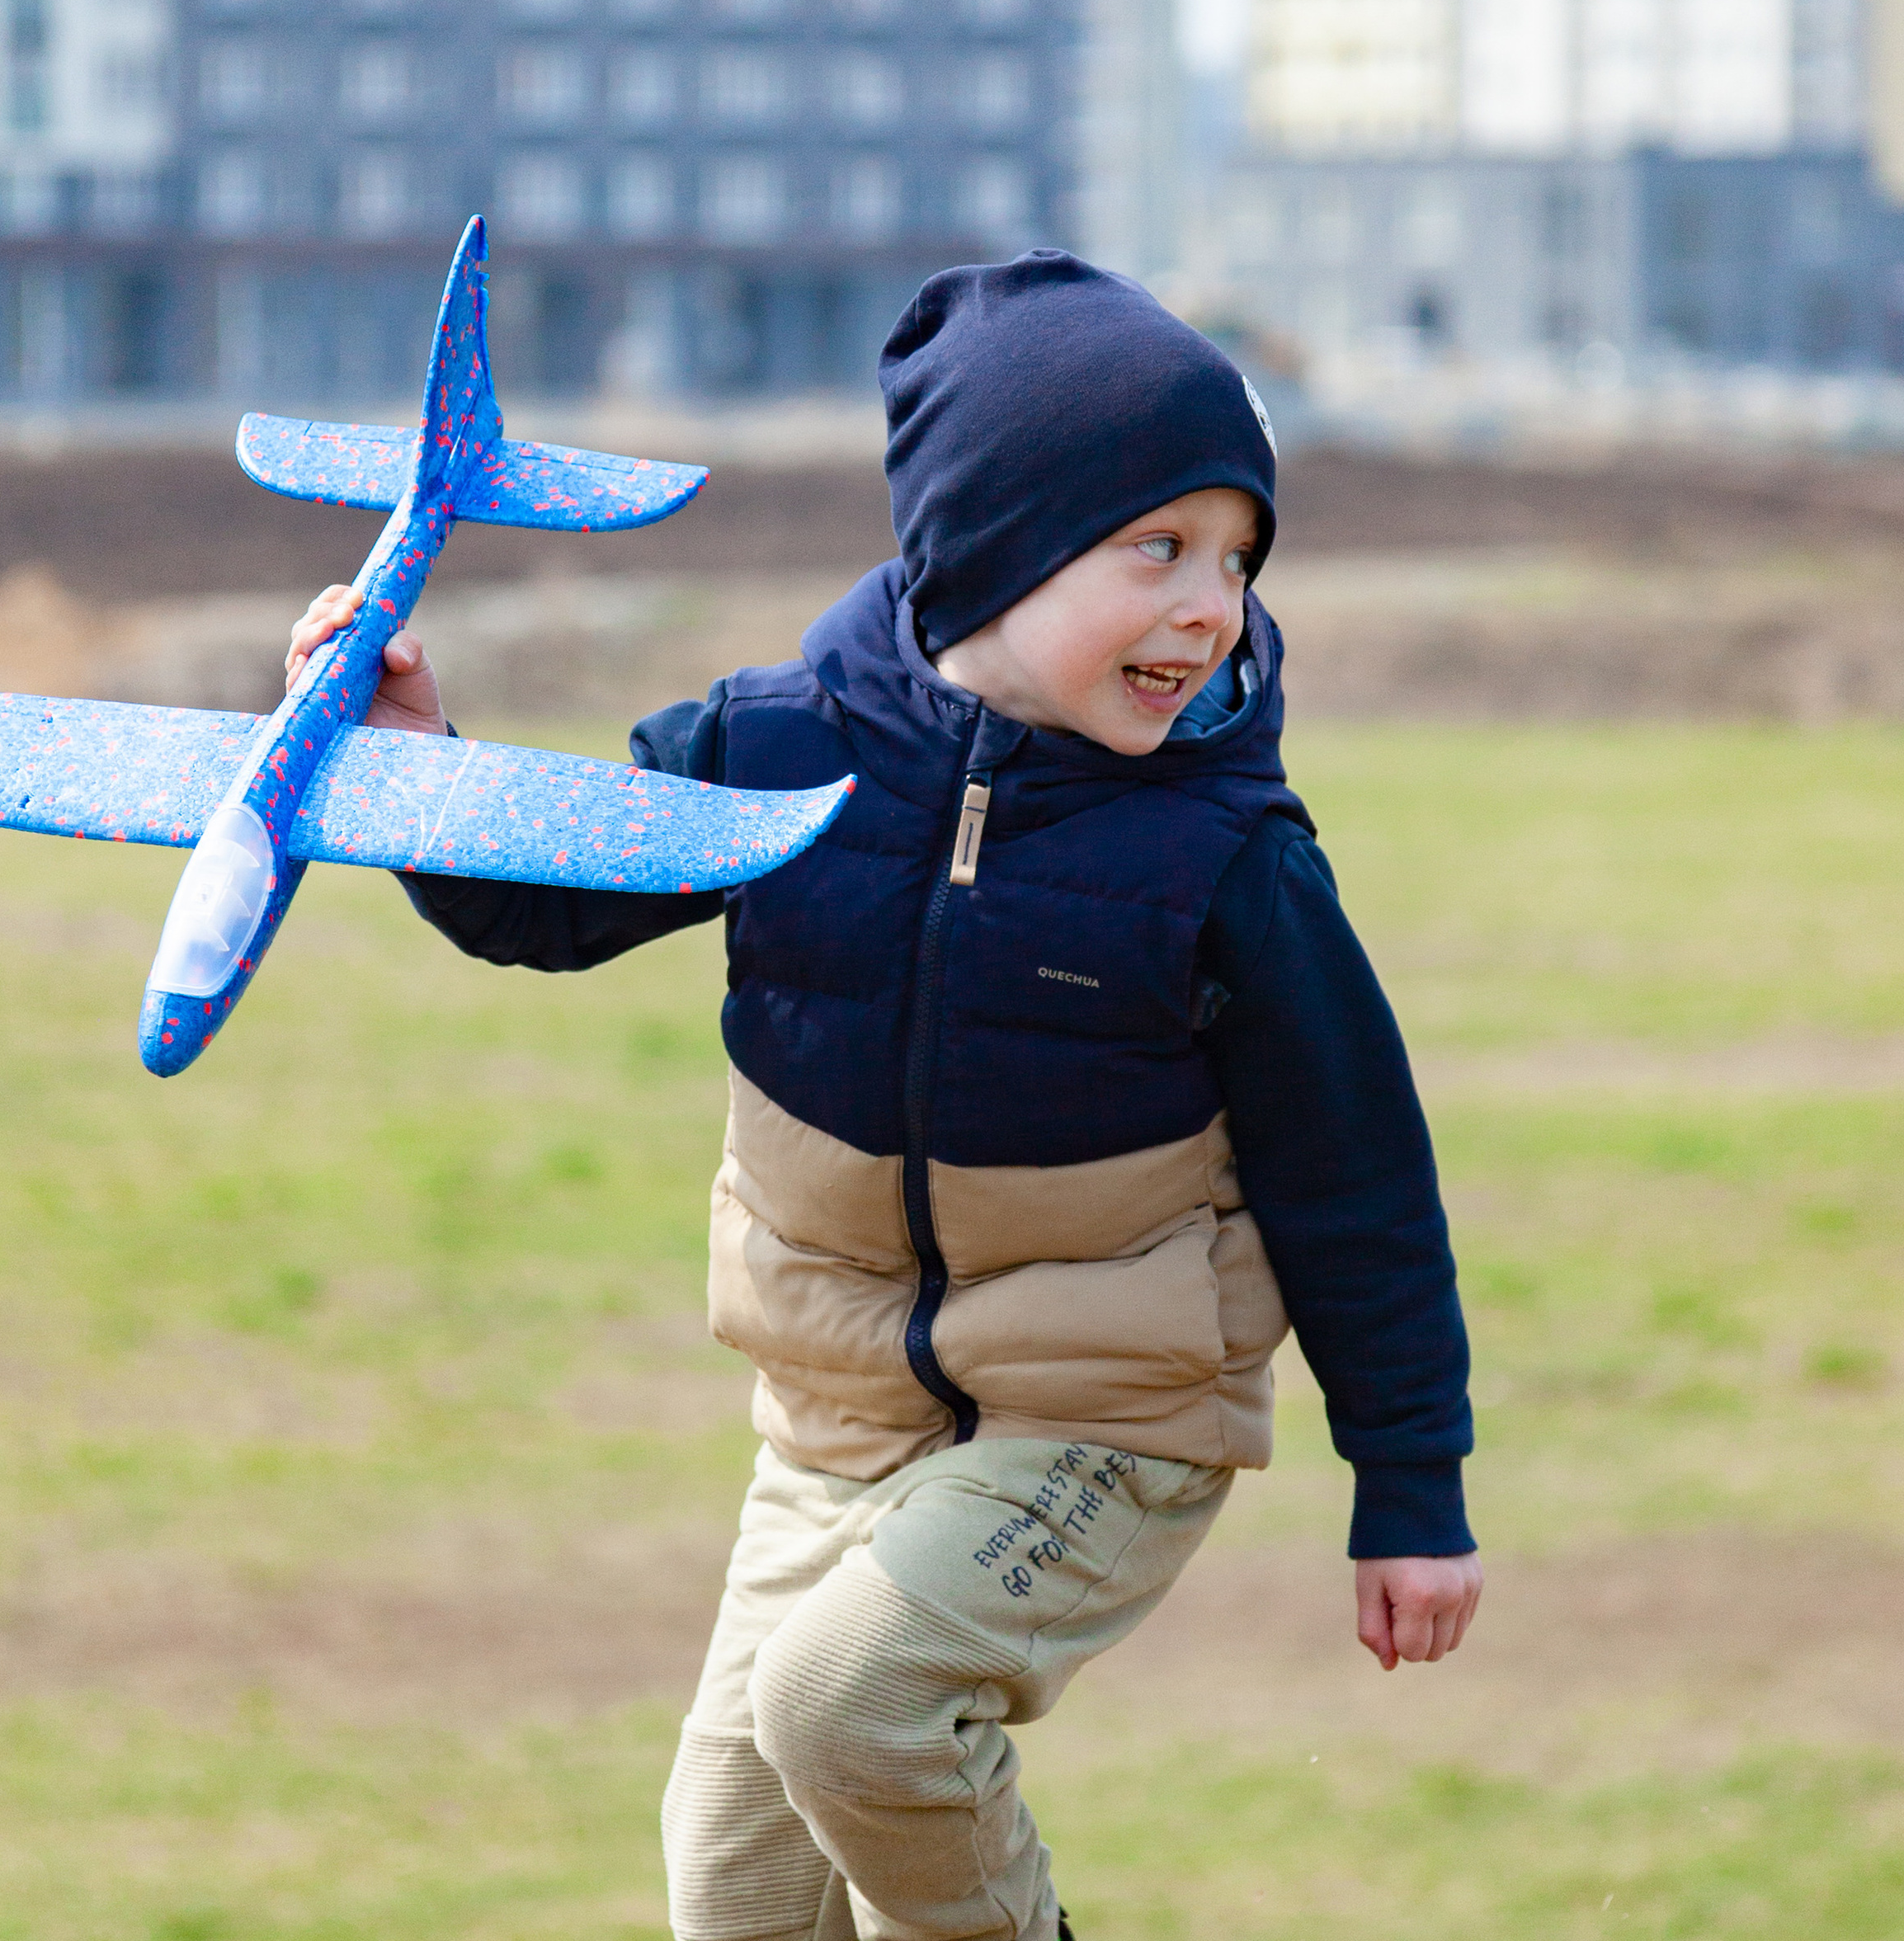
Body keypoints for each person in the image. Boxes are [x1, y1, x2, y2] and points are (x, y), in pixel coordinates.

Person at [286, 252, 1481, 1941]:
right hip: (836, 1415)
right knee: (732, 1872)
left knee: (851, 1705)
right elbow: (535, 905)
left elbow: (1356, 1172)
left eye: (1232, 557)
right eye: (1156, 549)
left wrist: (1410, 1479)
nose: (1209, 606)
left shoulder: (1224, 857)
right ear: (989, 550)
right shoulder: (777, 748)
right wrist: (412, 748)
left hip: (1100, 1411)